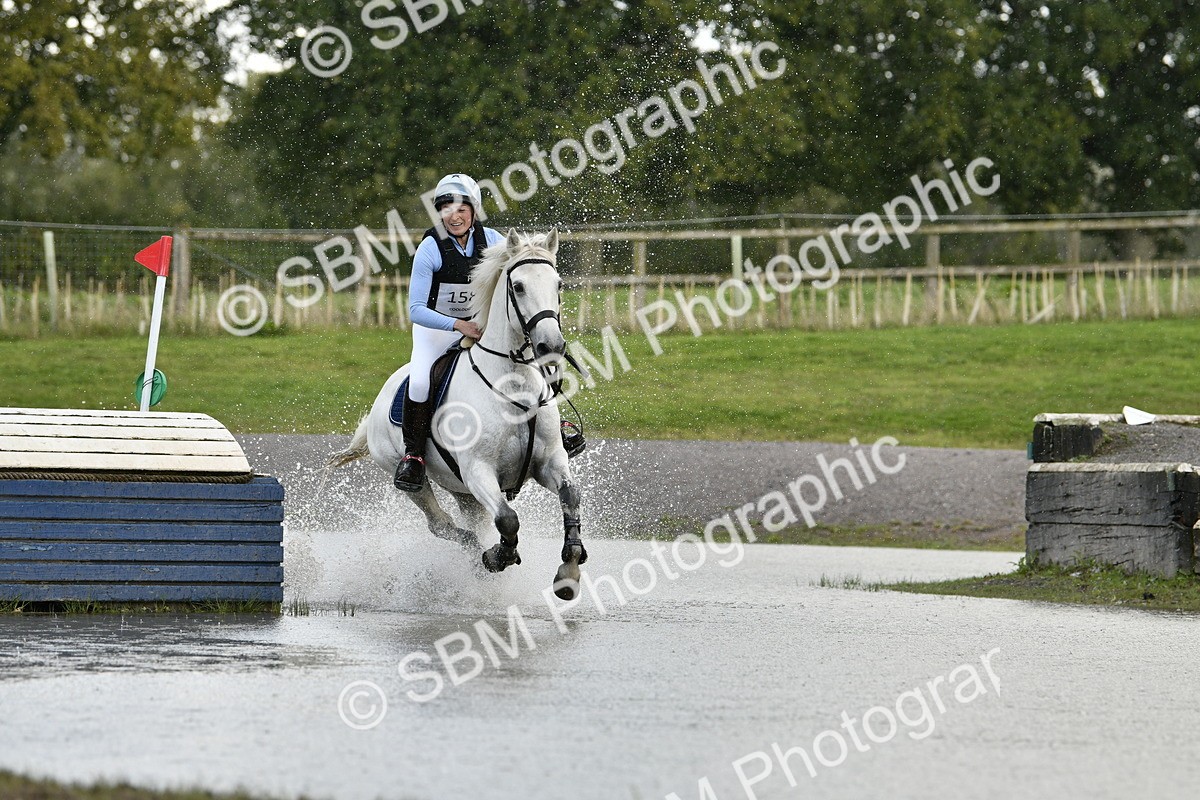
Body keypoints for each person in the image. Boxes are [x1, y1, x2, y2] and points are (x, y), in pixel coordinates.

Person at [394, 173, 505, 491]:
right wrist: (458, 324)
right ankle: (414, 457)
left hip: (482, 329)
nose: (453, 216)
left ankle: (556, 426)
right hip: (436, 331)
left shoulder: (495, 242)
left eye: (461, 209)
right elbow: (415, 310)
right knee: (419, 380)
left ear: (473, 210)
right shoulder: (430, 247)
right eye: (445, 209)